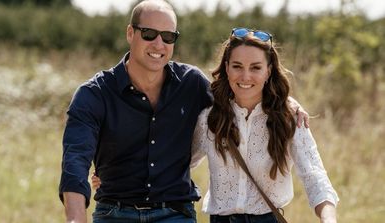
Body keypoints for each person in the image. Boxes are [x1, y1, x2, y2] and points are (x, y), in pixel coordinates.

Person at [60, 0, 308, 222]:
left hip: (174, 214)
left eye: (168, 36)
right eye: (149, 34)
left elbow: (241, 95)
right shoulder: (94, 94)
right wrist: (75, 217)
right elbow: (75, 161)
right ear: (130, 33)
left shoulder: (191, 84)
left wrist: (286, 103)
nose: (159, 44)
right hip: (114, 212)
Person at [188, 28, 339, 223]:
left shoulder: (289, 118)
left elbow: (315, 177)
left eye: (255, 68)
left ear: (268, 71)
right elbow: (180, 164)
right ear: (226, 68)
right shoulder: (209, 118)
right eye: (237, 66)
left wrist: (329, 219)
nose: (245, 76)